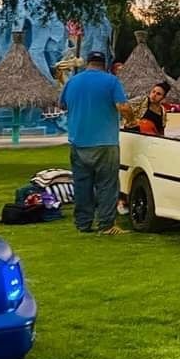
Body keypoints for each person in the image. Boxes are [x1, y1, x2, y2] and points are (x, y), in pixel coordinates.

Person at [59, 51, 132, 235]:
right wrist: (131, 119)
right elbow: (122, 106)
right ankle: (106, 224)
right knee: (107, 184)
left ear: (88, 63)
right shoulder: (111, 81)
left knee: (82, 185)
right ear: (104, 64)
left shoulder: (73, 82)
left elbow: (62, 105)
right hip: (105, 143)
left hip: (78, 141)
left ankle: (83, 224)